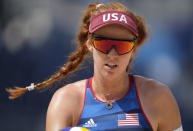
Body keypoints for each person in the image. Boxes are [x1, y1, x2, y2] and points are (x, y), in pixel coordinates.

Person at [6, 2, 183, 131]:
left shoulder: (157, 97)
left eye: (122, 46)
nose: (112, 54)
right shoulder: (66, 101)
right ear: (90, 44)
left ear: (134, 50)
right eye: (104, 44)